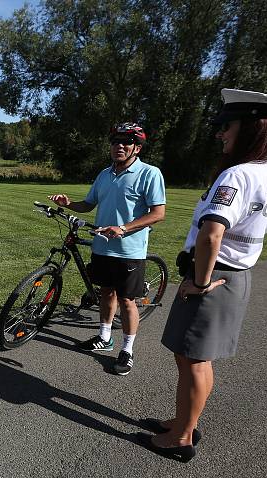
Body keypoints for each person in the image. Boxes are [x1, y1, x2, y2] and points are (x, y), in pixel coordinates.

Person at [136, 89, 267, 462]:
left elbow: (212, 233)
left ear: (253, 128)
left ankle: (180, 437)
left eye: (227, 125)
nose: (220, 133)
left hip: (213, 277)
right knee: (198, 358)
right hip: (235, 276)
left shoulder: (238, 174)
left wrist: (201, 281)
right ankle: (186, 423)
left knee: (190, 359)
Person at [49, 122, 166, 375]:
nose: (119, 146)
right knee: (106, 293)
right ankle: (104, 337)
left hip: (129, 249)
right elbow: (88, 204)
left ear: (137, 147)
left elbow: (158, 213)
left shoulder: (149, 173)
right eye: (115, 142)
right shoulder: (104, 174)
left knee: (127, 300)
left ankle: (127, 349)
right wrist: (68, 203)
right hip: (102, 246)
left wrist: (123, 228)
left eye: (126, 142)